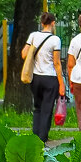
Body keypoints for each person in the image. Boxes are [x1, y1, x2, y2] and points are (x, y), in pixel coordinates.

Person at [22, 12, 65, 142]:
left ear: (42, 23)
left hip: (35, 78)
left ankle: (35, 138)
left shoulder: (33, 36)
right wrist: (61, 83)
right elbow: (57, 63)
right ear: (53, 23)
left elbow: (24, 54)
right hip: (50, 78)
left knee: (37, 108)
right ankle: (42, 139)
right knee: (47, 109)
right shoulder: (55, 40)